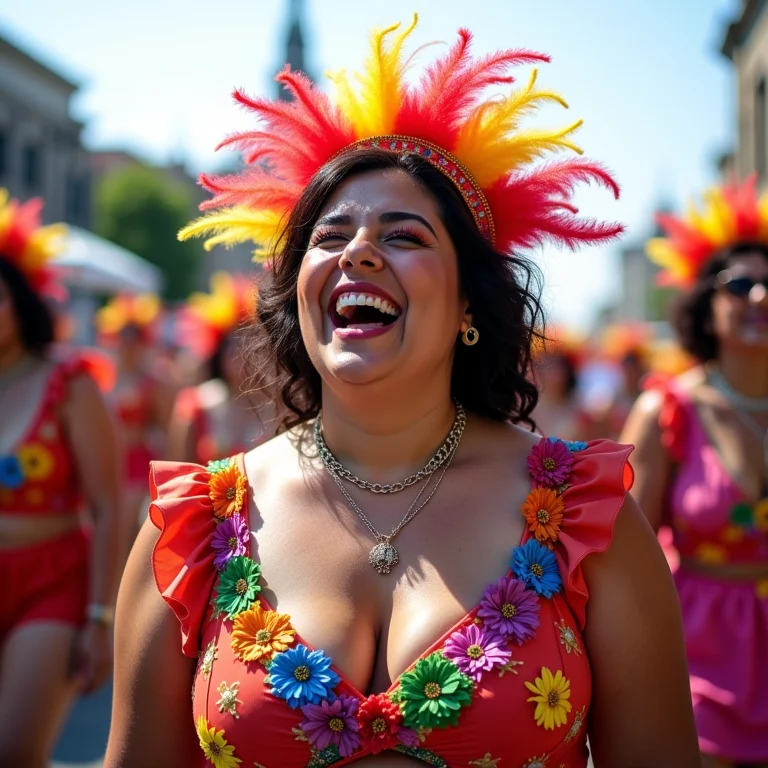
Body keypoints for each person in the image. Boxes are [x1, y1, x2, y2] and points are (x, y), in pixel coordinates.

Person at [106, 18, 698, 767]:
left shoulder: (588, 518)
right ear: (299, 299)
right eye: (330, 236)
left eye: (404, 236)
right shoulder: (190, 527)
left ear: (468, 307)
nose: (358, 250)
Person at [621, 176, 768, 767]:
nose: (760, 298)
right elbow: (624, 558)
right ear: (706, 302)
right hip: (699, 657)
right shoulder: (667, 410)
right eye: (741, 285)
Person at [0, 190, 121, 767]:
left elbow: (107, 505)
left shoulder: (70, 383)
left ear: (22, 302)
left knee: (16, 749)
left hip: (51, 580)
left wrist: (101, 618)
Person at [168, 272, 280, 464]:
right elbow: (179, 478)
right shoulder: (195, 406)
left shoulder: (282, 408)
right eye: (232, 342)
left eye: (250, 340)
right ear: (218, 351)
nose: (241, 351)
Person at [95, 293, 174, 530]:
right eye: (123, 334)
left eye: (134, 335)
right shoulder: (101, 379)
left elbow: (166, 429)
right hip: (107, 459)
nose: (128, 342)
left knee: (128, 524)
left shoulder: (153, 381)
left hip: (139, 461)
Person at [531, 330, 585, 441]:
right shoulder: (528, 406)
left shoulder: (579, 406)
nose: (546, 369)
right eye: (541, 362)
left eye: (555, 363)